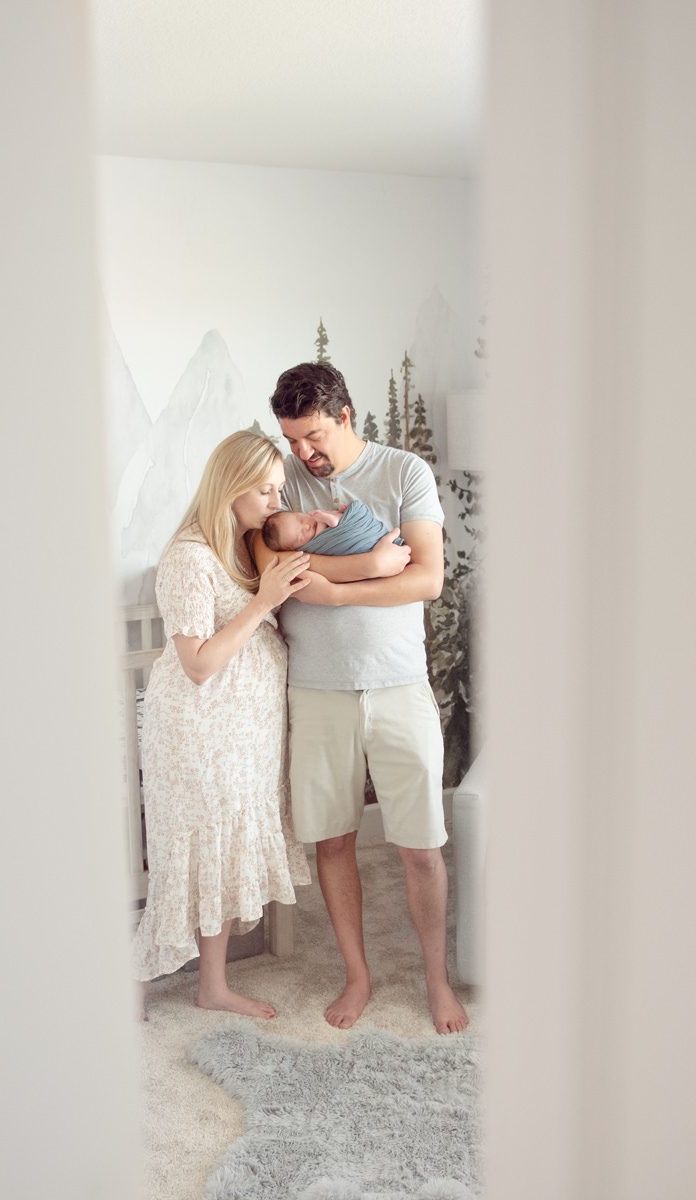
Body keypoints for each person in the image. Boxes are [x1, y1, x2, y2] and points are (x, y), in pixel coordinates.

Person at [253, 362, 468, 1035]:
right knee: (335, 841)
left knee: (421, 847)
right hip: (316, 691)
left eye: (312, 436)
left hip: (399, 684)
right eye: (291, 438)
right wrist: (373, 567)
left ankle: (437, 980)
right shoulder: (280, 480)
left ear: (345, 415)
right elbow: (275, 574)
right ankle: (358, 975)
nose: (301, 454)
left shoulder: (404, 473)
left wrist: (337, 589)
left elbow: (428, 579)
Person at [132, 430, 311, 1021]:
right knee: (195, 847)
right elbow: (199, 664)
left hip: (246, 736)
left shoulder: (245, 546)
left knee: (226, 852)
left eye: (278, 490)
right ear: (229, 487)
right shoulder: (189, 557)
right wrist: (264, 602)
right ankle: (128, 982)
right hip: (199, 732)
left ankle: (213, 986)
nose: (274, 503)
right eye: (263, 490)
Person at [261, 499, 405, 555]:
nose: (305, 526)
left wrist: (346, 513)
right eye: (299, 535)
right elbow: (335, 527)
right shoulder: (313, 545)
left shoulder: (313, 515)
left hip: (365, 532)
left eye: (299, 519)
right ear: (294, 549)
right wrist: (329, 518)